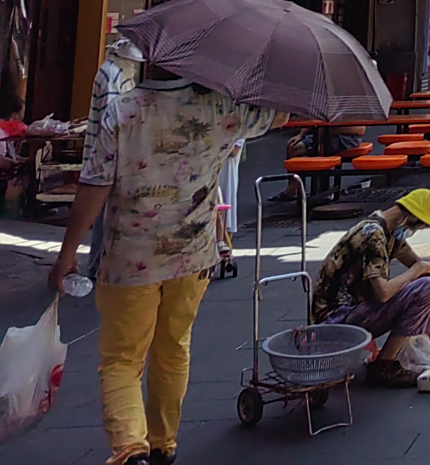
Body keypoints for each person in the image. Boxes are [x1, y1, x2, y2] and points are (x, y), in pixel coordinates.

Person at [50, 62, 284, 465]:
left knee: (123, 357)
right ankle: (163, 444)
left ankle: (131, 447)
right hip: (192, 257)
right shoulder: (220, 107)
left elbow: (95, 185)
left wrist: (66, 254)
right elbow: (279, 115)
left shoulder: (123, 110)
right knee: (173, 348)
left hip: (129, 260)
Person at [311, 189, 430, 388]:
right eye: (418, 226)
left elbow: (420, 264)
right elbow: (383, 293)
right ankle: (383, 367)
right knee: (427, 286)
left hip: (355, 311)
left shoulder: (389, 230)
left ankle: (410, 349)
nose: (414, 232)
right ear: (408, 218)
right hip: (336, 321)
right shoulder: (373, 235)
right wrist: (415, 271)